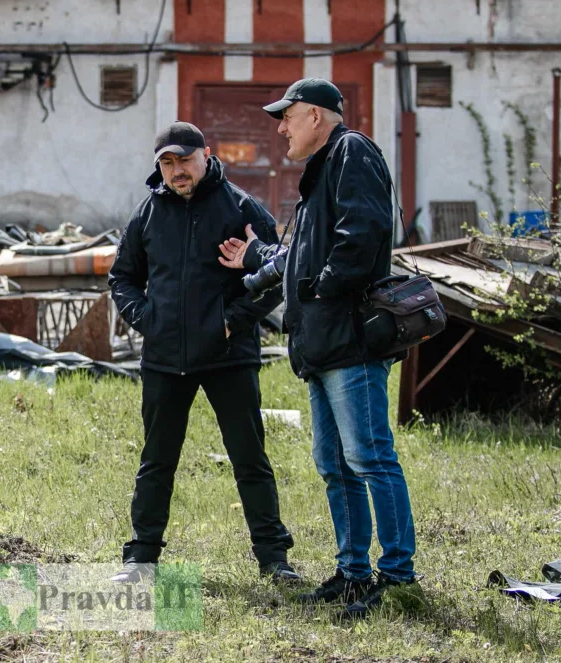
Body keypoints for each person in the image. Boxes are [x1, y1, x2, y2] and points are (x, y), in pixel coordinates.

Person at [218, 78, 418, 620]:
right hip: (321, 345)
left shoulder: (352, 151)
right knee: (334, 463)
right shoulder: (318, 177)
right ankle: (353, 574)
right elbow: (295, 258)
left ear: (314, 116)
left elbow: (363, 233)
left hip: (350, 340)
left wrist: (324, 287)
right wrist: (256, 262)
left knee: (370, 457)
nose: (280, 128)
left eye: (287, 117)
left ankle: (398, 576)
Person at [108, 121, 299, 584]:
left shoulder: (240, 206)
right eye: (167, 163)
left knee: (249, 458)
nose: (177, 171)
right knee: (157, 460)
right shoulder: (148, 213)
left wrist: (232, 319)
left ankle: (274, 560)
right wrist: (147, 319)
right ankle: (141, 558)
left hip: (228, 355)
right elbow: (122, 277)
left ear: (206, 155)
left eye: (184, 160)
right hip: (164, 358)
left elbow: (275, 275)